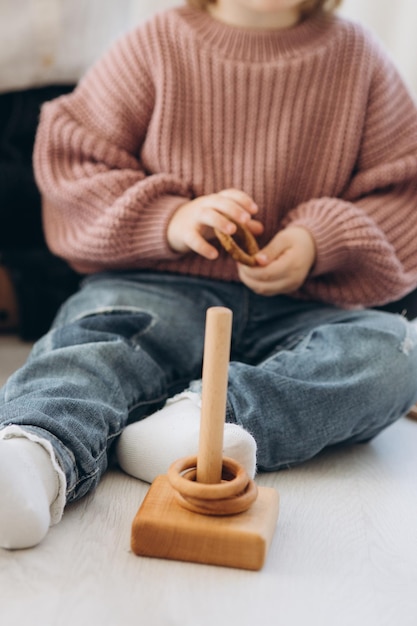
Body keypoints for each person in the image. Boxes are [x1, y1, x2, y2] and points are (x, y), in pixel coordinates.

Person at [1, 0, 417, 550]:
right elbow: (77, 160)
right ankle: (35, 451)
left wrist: (318, 242)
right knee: (94, 340)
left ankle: (203, 423)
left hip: (303, 306)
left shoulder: (359, 58)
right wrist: (170, 217)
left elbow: (401, 190)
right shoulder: (156, 42)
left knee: (393, 354)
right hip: (157, 286)